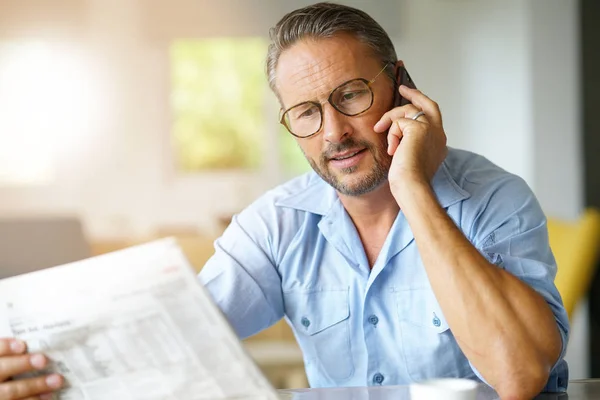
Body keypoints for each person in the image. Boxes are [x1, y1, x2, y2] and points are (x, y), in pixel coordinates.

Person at [0, 2, 568, 399]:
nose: (332, 134)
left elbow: (519, 376)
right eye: (305, 112)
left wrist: (413, 189)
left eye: (351, 95)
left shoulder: (495, 198)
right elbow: (175, 333)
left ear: (400, 85)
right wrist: (32, 366)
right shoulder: (277, 224)